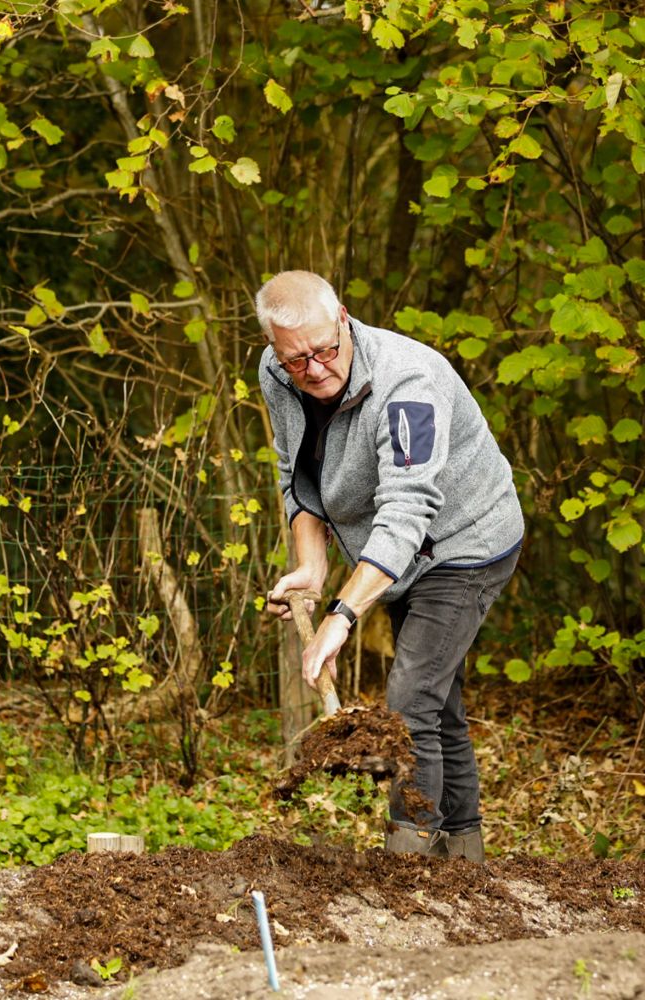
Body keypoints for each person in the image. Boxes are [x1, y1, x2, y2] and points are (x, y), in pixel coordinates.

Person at [255, 270, 523, 861]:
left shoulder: (409, 383)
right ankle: (464, 855)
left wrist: (343, 613)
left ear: (344, 318)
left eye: (326, 350)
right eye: (297, 359)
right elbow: (296, 480)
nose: (316, 369)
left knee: (409, 701)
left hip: (463, 542)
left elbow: (407, 511)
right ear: (276, 350)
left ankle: (408, 856)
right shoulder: (277, 375)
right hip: (392, 555)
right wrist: (310, 567)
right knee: (436, 699)